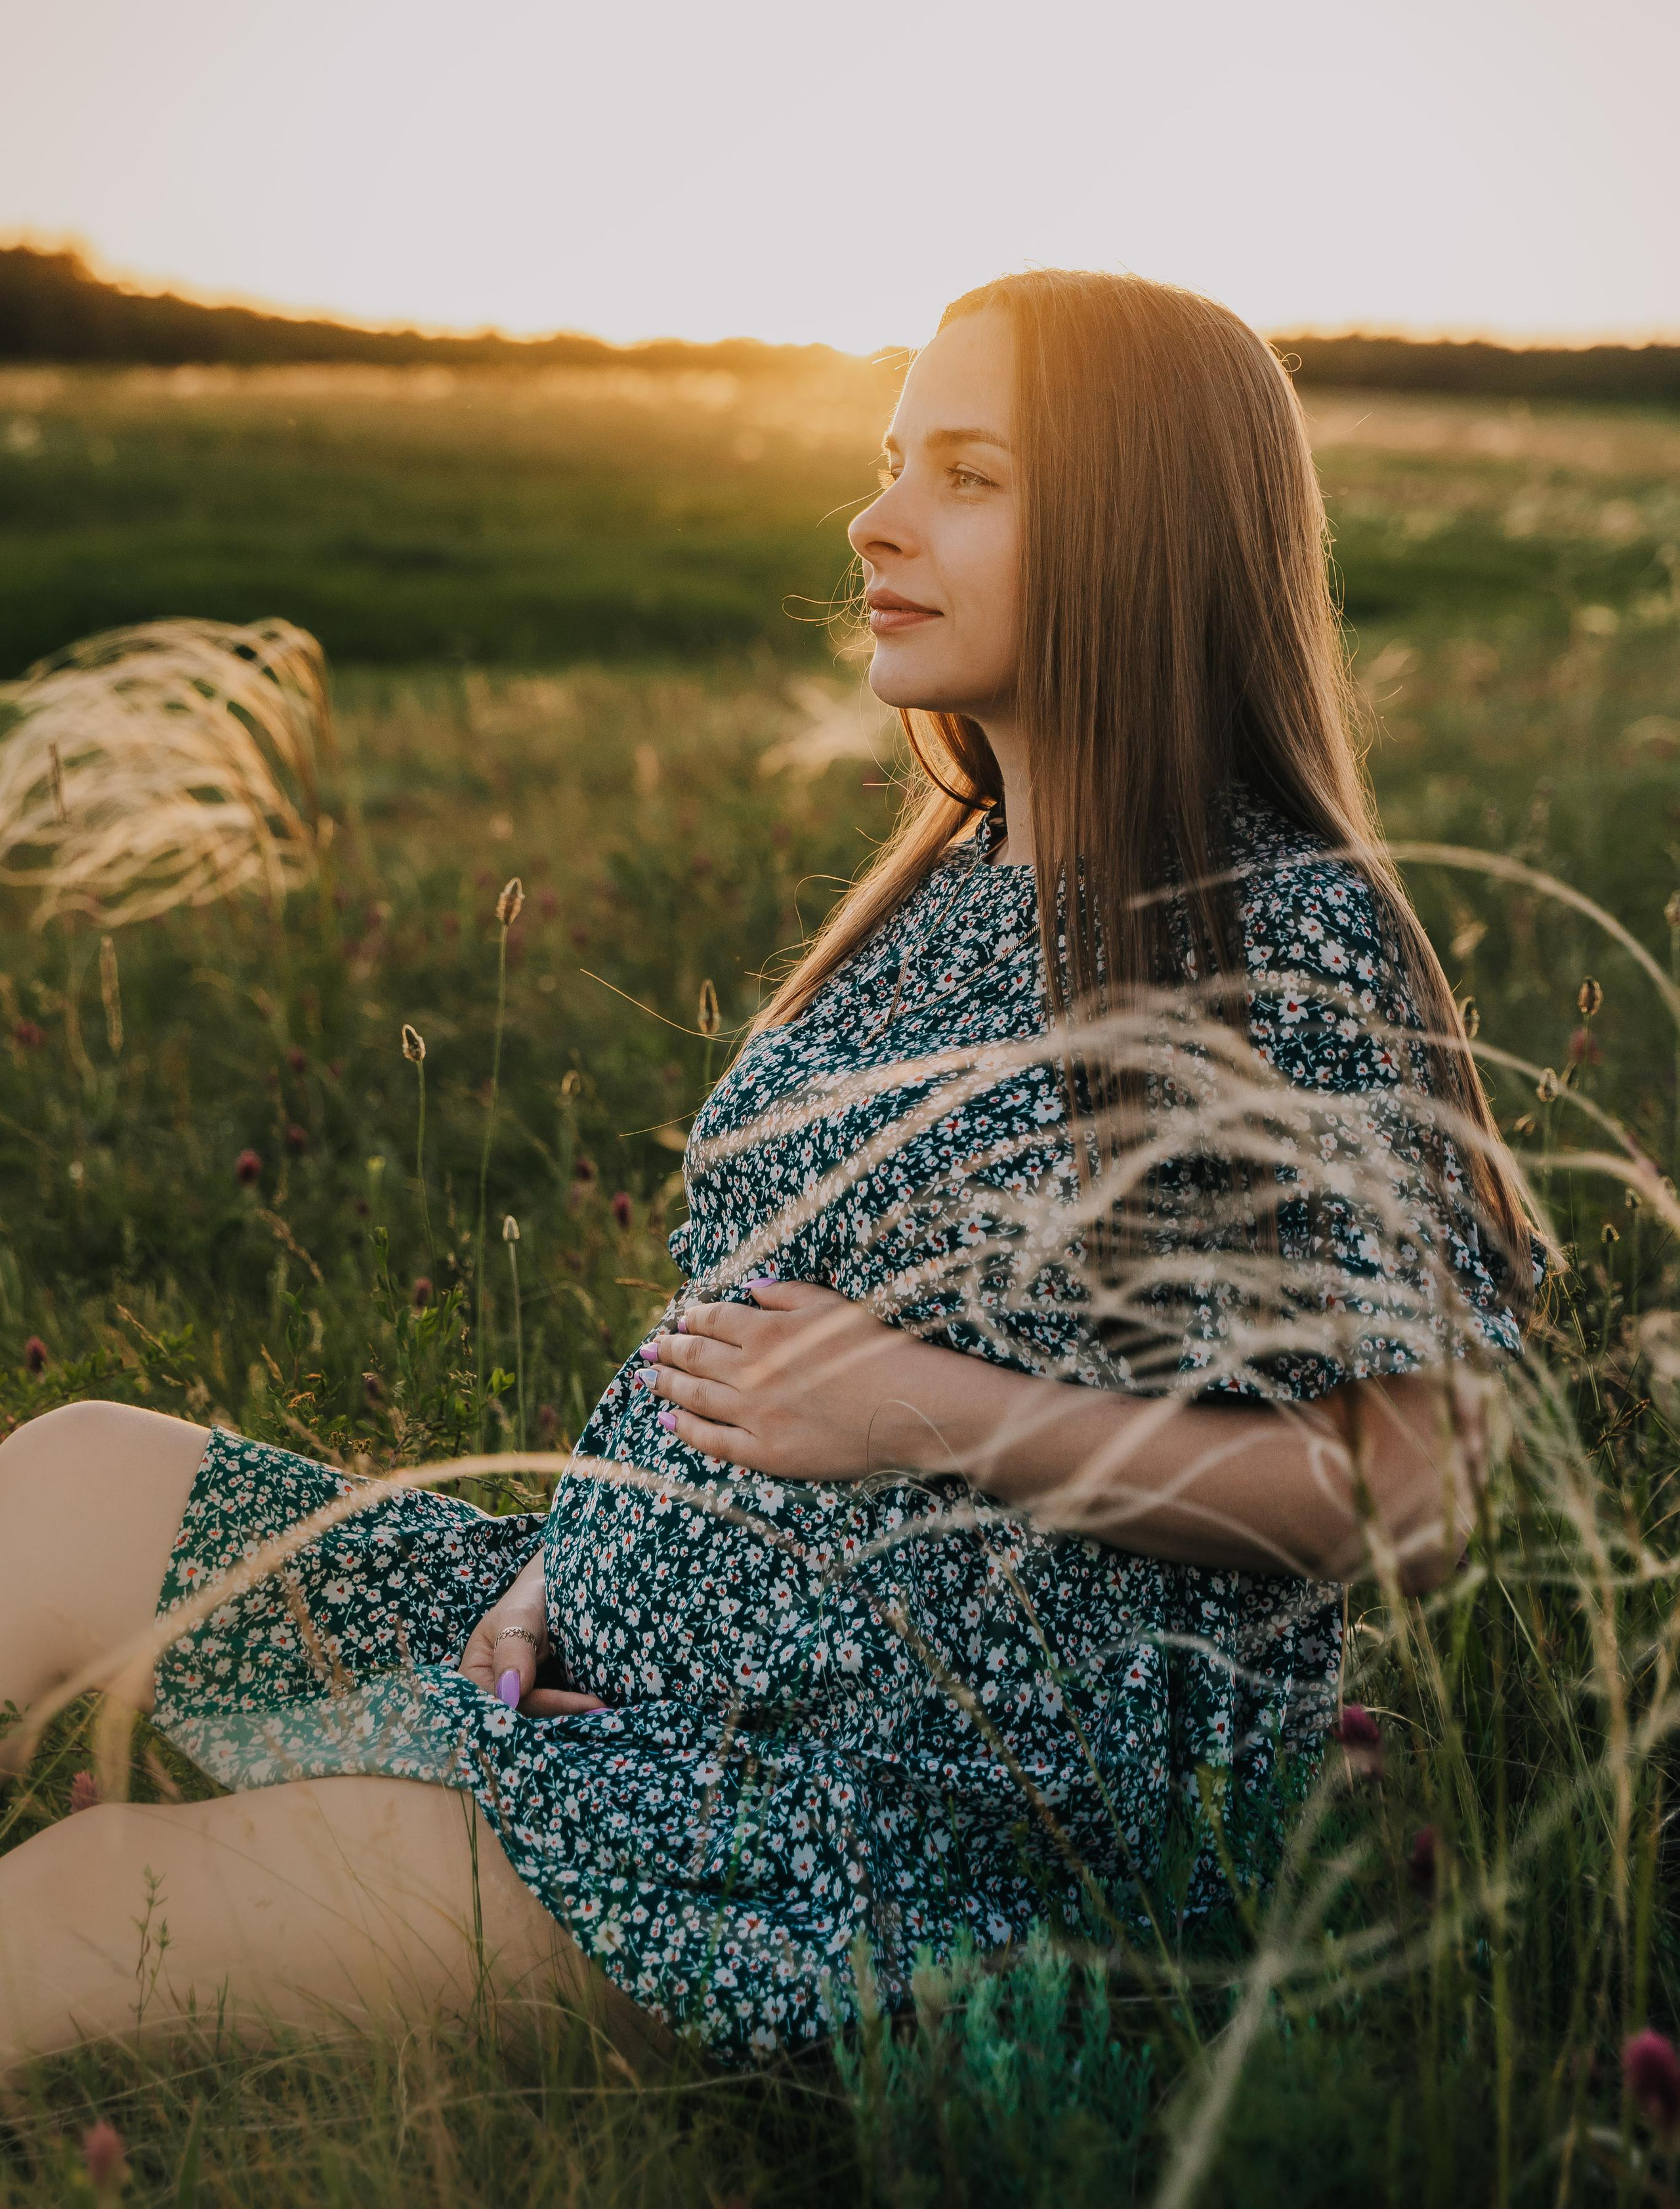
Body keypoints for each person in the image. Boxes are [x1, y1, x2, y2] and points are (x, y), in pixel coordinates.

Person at [0, 269, 1535, 2072]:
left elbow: (1426, 1488)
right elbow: (739, 1318)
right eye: (892, 460)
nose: (876, 520)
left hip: (875, 1830)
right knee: (70, 1478)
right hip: (609, 1668)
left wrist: (930, 1413)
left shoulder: (1276, 944)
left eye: (968, 474)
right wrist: (574, 1563)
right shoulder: (938, 889)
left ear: (1143, 532)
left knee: (68, 1914)